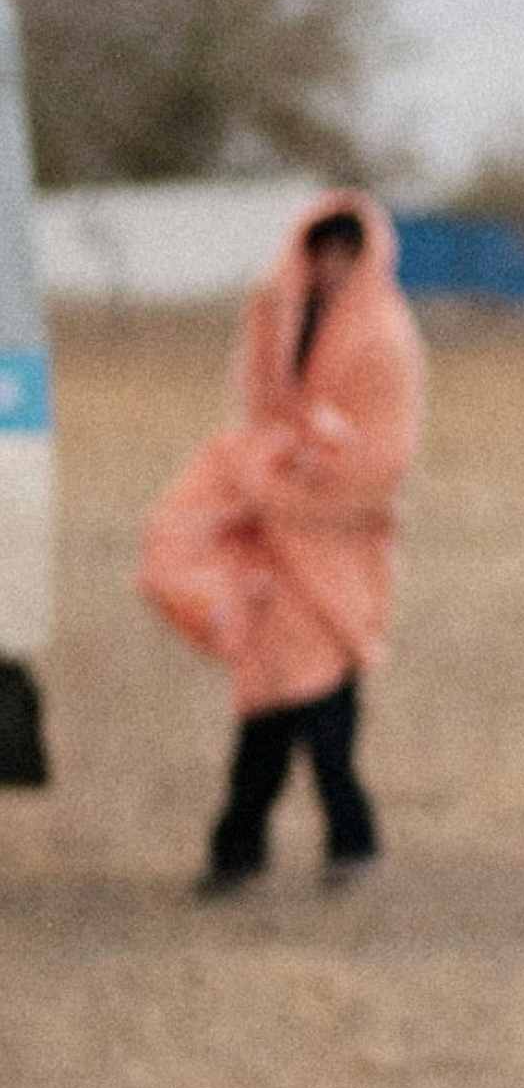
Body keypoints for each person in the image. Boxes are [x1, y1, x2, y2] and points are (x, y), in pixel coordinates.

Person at [138, 193, 425, 896]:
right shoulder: (281, 318)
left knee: (325, 707)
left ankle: (337, 841)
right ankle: (244, 848)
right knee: (268, 705)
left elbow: (381, 458)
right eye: (319, 252)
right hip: (274, 553)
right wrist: (270, 473)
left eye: (343, 254)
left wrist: (294, 479)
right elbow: (263, 413)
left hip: (334, 550)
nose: (329, 268)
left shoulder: (384, 338)